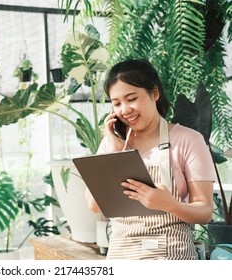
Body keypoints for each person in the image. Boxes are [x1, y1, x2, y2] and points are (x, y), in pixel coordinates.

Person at [85, 58, 216, 260]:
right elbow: (94, 206)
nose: (125, 110)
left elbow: (205, 211)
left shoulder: (189, 140)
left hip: (170, 255)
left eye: (132, 99)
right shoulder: (111, 144)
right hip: (122, 255)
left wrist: (169, 204)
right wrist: (113, 153)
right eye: (117, 103)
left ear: (154, 93)